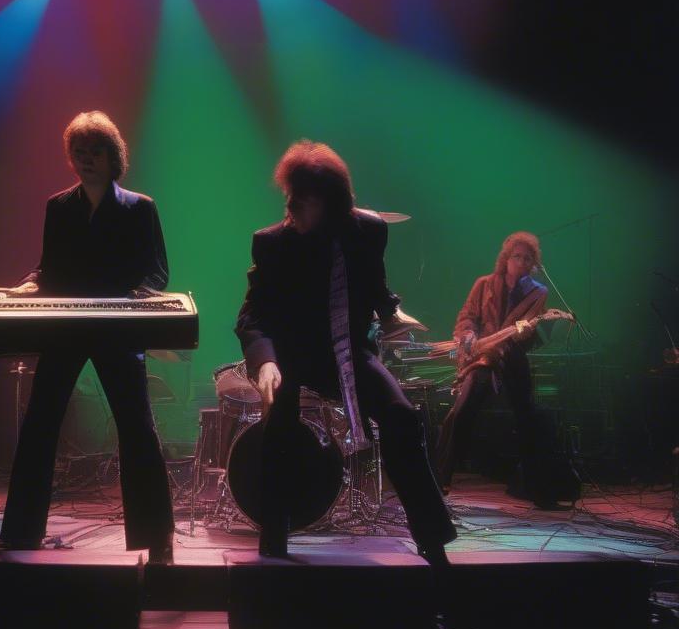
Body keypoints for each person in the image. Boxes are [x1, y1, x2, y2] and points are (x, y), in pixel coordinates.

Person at [235, 140, 456, 563]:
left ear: (331, 203)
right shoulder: (272, 243)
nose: (293, 206)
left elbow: (375, 290)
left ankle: (432, 541)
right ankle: (274, 542)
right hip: (289, 353)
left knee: (402, 418)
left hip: (346, 351)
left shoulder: (368, 231)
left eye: (306, 198)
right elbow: (252, 314)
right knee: (278, 425)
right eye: (290, 196)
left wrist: (393, 314)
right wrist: (264, 362)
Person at [0, 111, 176, 562]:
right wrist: (28, 284)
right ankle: (20, 532)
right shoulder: (58, 207)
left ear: (113, 156)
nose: (86, 160)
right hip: (67, 325)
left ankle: (156, 536)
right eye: (79, 152)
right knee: (40, 423)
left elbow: (157, 270)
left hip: (117, 326)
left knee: (136, 426)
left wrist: (141, 295)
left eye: (95, 151)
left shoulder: (140, 207)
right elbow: (48, 268)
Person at [434, 232, 563, 507]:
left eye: (528, 258)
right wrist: (468, 336)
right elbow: (466, 317)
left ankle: (536, 487)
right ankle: (438, 479)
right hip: (481, 355)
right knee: (461, 410)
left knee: (528, 416)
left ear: (533, 264)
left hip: (512, 356)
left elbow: (529, 332)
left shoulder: (538, 292)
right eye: (517, 256)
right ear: (505, 259)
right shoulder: (484, 284)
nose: (522, 262)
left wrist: (525, 332)